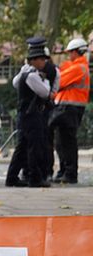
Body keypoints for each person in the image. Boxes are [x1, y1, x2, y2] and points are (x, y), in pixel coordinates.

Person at [5, 38, 54, 187]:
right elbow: (45, 92)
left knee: (22, 148)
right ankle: (34, 178)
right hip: (32, 116)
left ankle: (12, 177)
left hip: (25, 115)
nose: (44, 62)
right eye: (41, 59)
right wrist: (44, 80)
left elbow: (15, 83)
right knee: (34, 147)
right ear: (34, 61)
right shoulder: (33, 75)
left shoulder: (25, 73)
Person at [50, 38, 89, 184]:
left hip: (71, 108)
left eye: (70, 52)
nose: (69, 55)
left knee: (67, 141)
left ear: (77, 51)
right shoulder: (74, 66)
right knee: (61, 142)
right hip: (67, 107)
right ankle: (64, 171)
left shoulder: (79, 68)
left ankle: (70, 173)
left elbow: (59, 82)